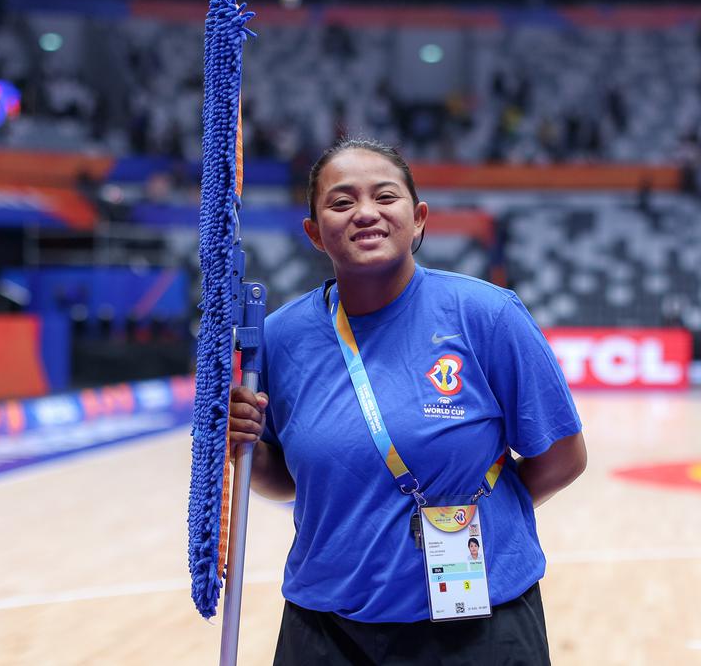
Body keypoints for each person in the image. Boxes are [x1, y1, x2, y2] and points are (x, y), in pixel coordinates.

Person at [228, 138, 586, 665]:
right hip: (327, 630)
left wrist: (469, 515)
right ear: (313, 232)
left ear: (418, 219)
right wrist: (246, 448)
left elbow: (563, 458)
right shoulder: (281, 338)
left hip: (478, 626)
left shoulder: (486, 315)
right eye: (341, 202)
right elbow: (284, 478)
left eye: (385, 197)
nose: (366, 213)